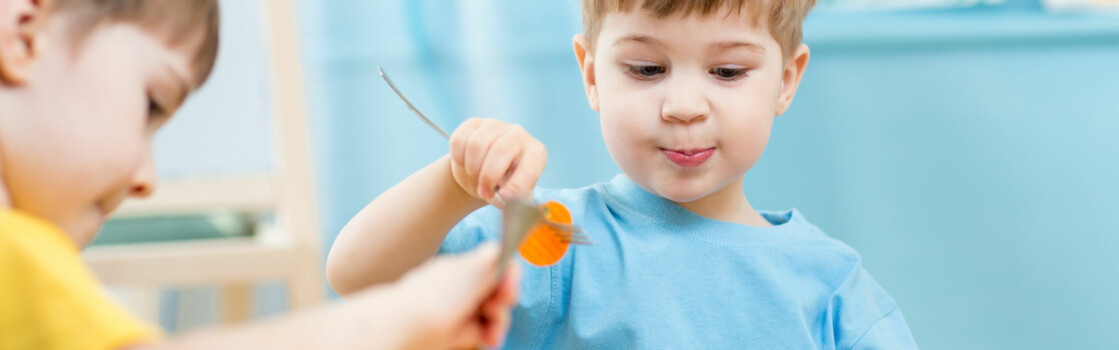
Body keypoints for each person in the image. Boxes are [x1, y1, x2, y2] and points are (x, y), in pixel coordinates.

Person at [327, 0, 919, 348]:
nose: (684, 105)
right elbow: (359, 276)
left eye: (728, 72)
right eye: (646, 68)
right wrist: (454, 185)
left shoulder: (828, 282)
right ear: (591, 74)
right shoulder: (555, 244)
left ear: (786, 81)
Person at [0, 0, 520, 349]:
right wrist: (397, 319)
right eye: (151, 103)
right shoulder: (16, 253)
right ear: (24, 35)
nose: (147, 178)